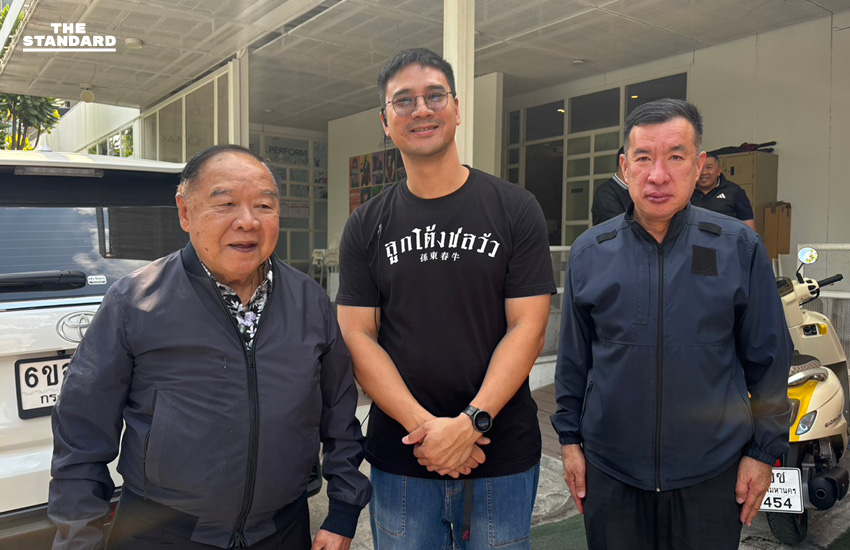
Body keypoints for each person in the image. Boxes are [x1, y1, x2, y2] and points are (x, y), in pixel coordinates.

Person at [48, 144, 371, 550]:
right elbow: (82, 434)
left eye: (264, 206)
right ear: (185, 212)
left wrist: (343, 512)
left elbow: (340, 415)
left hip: (282, 530)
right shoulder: (136, 302)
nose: (248, 222)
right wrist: (79, 539)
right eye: (226, 204)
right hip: (162, 534)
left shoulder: (310, 301)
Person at [336, 48, 555, 549]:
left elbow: (529, 327)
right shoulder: (366, 224)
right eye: (403, 101)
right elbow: (358, 336)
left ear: (457, 108)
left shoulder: (515, 209)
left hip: (499, 453)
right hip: (403, 457)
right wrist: (428, 431)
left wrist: (471, 422)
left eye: (435, 95)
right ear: (385, 122)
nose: (421, 110)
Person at [552, 99, 792, 550]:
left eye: (676, 156)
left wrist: (763, 454)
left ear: (699, 165)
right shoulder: (590, 253)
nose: (658, 174)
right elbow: (573, 362)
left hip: (712, 473)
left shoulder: (739, 248)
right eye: (643, 158)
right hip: (612, 473)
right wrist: (569, 441)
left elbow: (769, 360)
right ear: (625, 167)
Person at [691, 151, 756, 231]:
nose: (703, 172)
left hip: (724, 241)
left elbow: (748, 225)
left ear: (719, 171)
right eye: (699, 167)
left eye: (709, 167)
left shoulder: (734, 191)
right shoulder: (687, 192)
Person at [590, 146, 631, 225]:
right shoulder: (605, 193)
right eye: (641, 160)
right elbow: (621, 228)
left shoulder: (635, 191)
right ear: (624, 165)